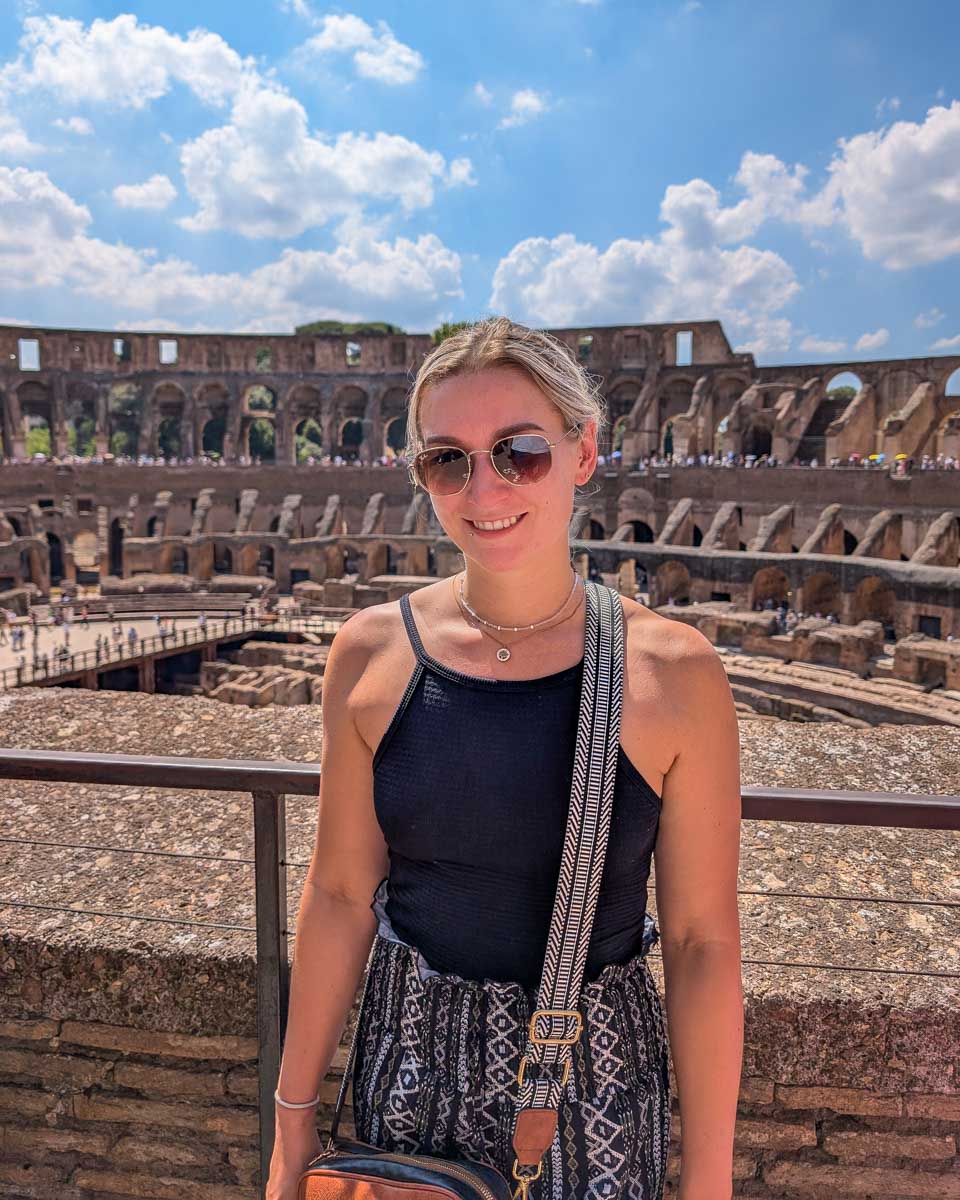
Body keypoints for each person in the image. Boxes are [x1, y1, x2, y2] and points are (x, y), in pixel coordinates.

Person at [267, 318, 743, 1200]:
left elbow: (702, 943)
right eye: (447, 459)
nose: (483, 487)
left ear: (583, 450)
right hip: (403, 1075)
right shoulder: (369, 653)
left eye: (518, 451)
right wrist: (291, 1126)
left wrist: (708, 1181)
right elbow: (338, 893)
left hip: (590, 1092)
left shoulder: (676, 674)